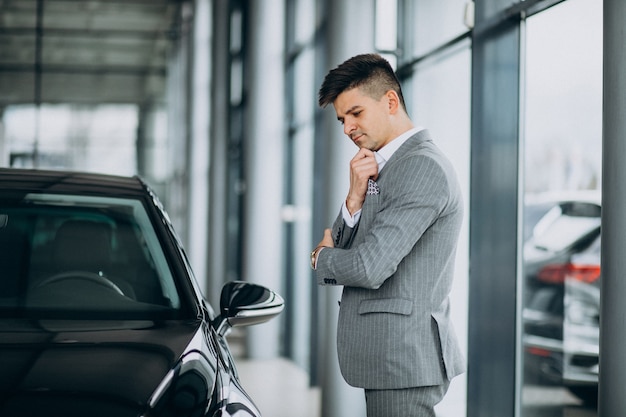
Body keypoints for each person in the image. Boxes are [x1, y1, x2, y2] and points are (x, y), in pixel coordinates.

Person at [311, 53, 465, 417]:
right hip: (392, 357)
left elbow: (369, 267)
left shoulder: (421, 167)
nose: (348, 128)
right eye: (342, 119)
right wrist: (354, 198)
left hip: (404, 359)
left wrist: (321, 258)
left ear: (390, 101)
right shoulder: (384, 167)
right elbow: (355, 247)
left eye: (356, 113)